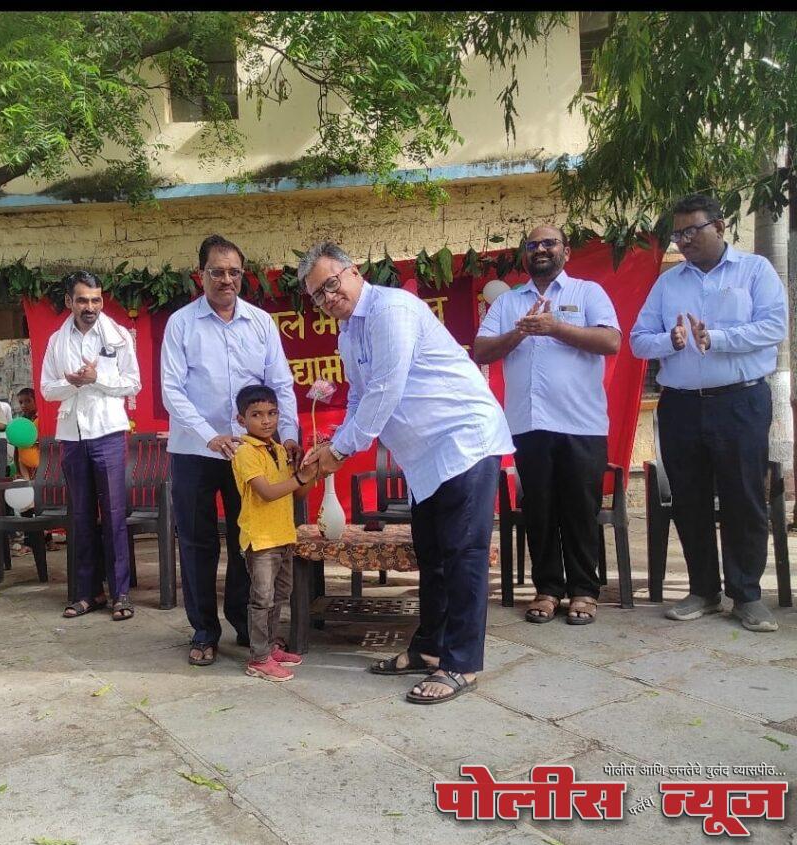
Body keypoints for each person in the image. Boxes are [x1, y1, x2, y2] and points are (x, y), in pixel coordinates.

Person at [299, 241, 513, 706]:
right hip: (424, 459)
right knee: (433, 555)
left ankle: (462, 663)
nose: (328, 298)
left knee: (463, 555)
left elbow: (386, 389)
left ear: (353, 272)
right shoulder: (347, 334)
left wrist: (340, 449)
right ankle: (430, 649)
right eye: (318, 296)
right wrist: (332, 442)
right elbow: (359, 398)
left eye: (331, 284)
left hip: (463, 441)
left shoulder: (390, 309)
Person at [631, 193, 788, 633]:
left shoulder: (755, 271)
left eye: (691, 231)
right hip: (680, 404)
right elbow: (639, 339)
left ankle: (747, 595)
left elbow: (774, 327)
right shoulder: (668, 284)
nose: (683, 241)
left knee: (743, 497)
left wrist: (715, 338)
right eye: (677, 234)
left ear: (719, 227)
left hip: (739, 401)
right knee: (689, 498)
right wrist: (672, 342)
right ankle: (703, 589)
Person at [161, 234, 300, 667]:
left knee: (252, 543)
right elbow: (171, 389)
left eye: (234, 272)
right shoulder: (181, 324)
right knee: (199, 544)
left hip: (252, 455)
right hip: (195, 453)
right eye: (217, 272)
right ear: (199, 275)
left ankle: (246, 626)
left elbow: (281, 384)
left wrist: (289, 433)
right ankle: (204, 630)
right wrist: (210, 435)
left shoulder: (260, 322)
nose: (226, 280)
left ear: (243, 276)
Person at [474, 225, 621, 625]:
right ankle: (547, 590)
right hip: (527, 424)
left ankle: (584, 592)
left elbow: (611, 342)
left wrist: (556, 328)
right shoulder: (508, 304)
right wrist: (519, 332)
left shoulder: (586, 293)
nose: (540, 249)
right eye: (533, 244)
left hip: (581, 424)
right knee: (539, 509)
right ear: (526, 255)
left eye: (548, 243)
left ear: (565, 252)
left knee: (579, 508)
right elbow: (481, 350)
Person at [41, 270, 141, 621]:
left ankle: (121, 594)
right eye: (82, 300)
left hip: (109, 433)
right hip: (72, 435)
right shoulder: (57, 340)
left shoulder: (118, 337)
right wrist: (71, 384)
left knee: (113, 515)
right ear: (69, 301)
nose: (90, 307)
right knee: (81, 516)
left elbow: (133, 384)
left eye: (96, 299)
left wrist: (98, 378)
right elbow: (46, 389)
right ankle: (87, 593)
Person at [231, 385, 316, 681]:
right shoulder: (244, 452)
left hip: (283, 535)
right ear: (241, 420)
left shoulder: (280, 449)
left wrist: (314, 468)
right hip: (261, 539)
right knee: (262, 599)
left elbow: (298, 494)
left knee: (280, 594)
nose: (266, 421)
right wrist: (299, 477)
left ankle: (269, 647)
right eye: (256, 415)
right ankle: (258, 658)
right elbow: (267, 493)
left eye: (272, 413)